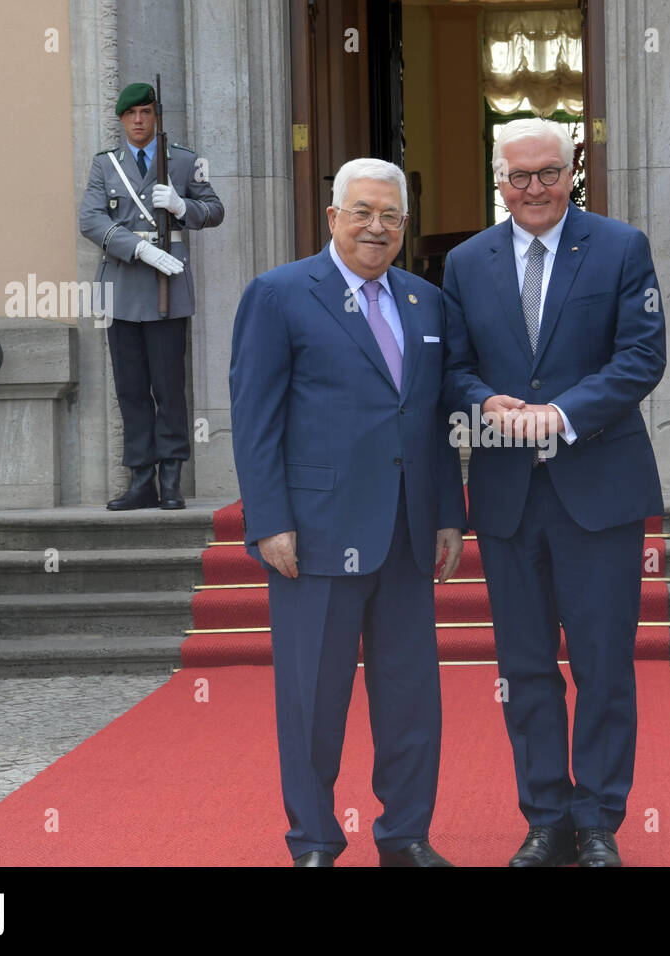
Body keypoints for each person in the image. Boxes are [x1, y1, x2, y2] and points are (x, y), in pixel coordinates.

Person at [229, 158, 466, 867]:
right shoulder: (278, 295)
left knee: (411, 698)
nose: (377, 227)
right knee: (312, 699)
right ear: (333, 217)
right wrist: (269, 519)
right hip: (317, 532)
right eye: (363, 211)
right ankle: (313, 839)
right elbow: (255, 418)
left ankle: (406, 836)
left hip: (406, 531)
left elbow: (431, 421)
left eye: (391, 216)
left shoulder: (428, 302)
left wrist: (449, 512)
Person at [442, 118, 667, 867]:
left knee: (603, 663)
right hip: (509, 495)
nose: (532, 189)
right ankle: (544, 815)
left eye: (547, 173)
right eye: (518, 177)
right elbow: (453, 366)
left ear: (573, 170)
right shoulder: (467, 262)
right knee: (524, 667)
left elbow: (642, 357)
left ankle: (599, 818)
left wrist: (562, 414)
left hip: (599, 487)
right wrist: (483, 403)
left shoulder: (620, 247)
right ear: (498, 180)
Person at [79, 81, 224, 511]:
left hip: (168, 289)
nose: (139, 121)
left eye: (145, 113)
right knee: (130, 388)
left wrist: (182, 207)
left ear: (155, 116)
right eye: (131, 115)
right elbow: (89, 220)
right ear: (121, 120)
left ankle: (172, 477)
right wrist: (138, 248)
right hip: (123, 285)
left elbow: (214, 209)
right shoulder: (105, 164)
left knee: (168, 386)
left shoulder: (183, 160)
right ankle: (141, 479)